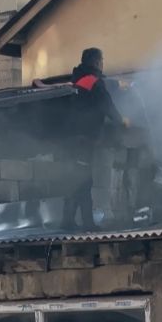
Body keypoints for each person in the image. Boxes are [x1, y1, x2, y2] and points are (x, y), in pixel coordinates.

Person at [62, 47, 129, 230]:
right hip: (83, 138)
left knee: (77, 178)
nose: (103, 63)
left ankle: (69, 220)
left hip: (73, 137)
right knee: (84, 179)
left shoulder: (80, 79)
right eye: (102, 60)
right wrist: (122, 120)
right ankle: (85, 222)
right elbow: (106, 104)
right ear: (97, 62)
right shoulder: (94, 82)